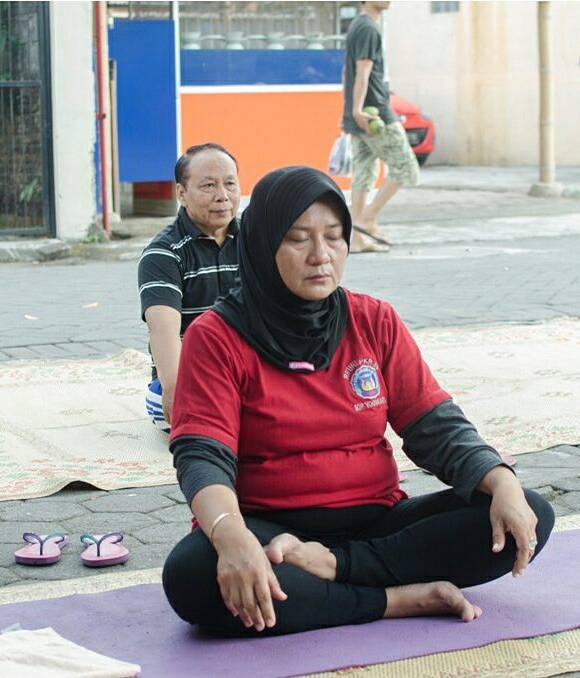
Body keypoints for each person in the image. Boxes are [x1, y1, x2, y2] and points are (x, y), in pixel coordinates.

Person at [161, 166, 554, 638]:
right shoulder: (216, 336)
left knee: (526, 513)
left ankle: (335, 571)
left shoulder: (374, 320)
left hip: (377, 526)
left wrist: (501, 480)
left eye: (334, 237)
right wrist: (230, 534)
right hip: (268, 531)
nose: (320, 255)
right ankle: (393, 600)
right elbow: (202, 454)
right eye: (298, 239)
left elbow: (435, 426)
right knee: (193, 575)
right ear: (263, 245)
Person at [137, 143, 241, 430]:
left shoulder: (257, 240)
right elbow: (164, 331)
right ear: (181, 194)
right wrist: (175, 392)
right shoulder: (163, 253)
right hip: (194, 372)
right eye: (209, 185)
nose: (222, 195)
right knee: (160, 402)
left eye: (230, 183)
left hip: (249, 367)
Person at [342, 1, 419, 253]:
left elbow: (347, 72)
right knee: (406, 167)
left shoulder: (357, 25)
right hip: (374, 113)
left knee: (364, 173)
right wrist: (356, 110)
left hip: (360, 113)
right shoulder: (368, 28)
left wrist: (351, 111)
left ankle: (357, 239)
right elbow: (362, 72)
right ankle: (367, 219)